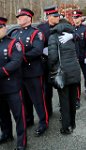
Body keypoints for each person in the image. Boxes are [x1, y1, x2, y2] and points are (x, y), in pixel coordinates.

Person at [11, 8, 48, 136]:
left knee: (38, 99)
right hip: (19, 74)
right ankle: (29, 120)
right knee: (25, 100)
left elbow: (37, 50)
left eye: (21, 16)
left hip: (33, 72)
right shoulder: (15, 33)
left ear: (29, 18)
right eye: (18, 16)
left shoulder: (36, 33)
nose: (19, 18)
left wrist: (20, 58)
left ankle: (43, 121)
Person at [48, 18, 81, 134]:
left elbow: (52, 57)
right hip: (74, 71)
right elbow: (80, 38)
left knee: (64, 101)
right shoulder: (71, 34)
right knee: (73, 99)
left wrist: (50, 68)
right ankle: (73, 123)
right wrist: (73, 35)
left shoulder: (53, 37)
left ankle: (66, 127)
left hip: (63, 73)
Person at [0, 17, 26, 150]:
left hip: (12, 86)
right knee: (2, 115)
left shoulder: (13, 43)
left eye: (0, 27)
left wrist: (2, 72)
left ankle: (22, 142)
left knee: (18, 115)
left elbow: (16, 62)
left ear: (5, 28)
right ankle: (6, 134)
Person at [37, 5, 60, 117]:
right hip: (46, 63)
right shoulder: (41, 28)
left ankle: (64, 109)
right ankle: (49, 111)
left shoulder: (62, 26)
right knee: (47, 89)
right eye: (55, 16)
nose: (58, 18)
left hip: (59, 62)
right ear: (49, 16)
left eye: (58, 15)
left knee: (62, 85)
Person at [71, 10, 86, 105]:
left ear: (81, 18)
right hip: (74, 57)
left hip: (84, 56)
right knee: (76, 78)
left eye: (77, 17)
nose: (75, 20)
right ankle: (77, 97)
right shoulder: (70, 29)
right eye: (74, 18)